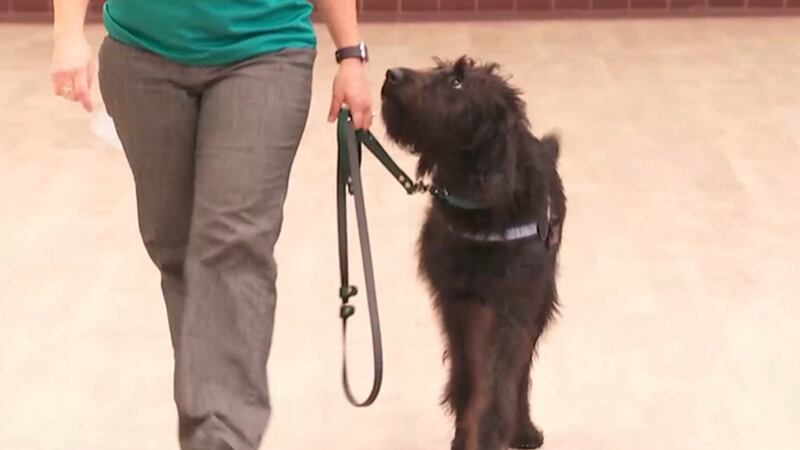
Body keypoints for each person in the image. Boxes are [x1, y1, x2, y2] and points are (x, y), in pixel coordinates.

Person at [50, 1, 372, 449]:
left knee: (232, 244)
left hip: (265, 50)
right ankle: (208, 424)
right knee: (178, 251)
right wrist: (67, 34)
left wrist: (351, 54)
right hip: (141, 55)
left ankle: (222, 436)